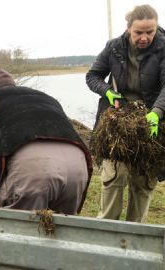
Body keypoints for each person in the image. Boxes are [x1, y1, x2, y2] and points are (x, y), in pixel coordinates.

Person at [0, 69, 92, 214]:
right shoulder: (47, 98)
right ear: (14, 85)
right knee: (64, 231)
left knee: (22, 232)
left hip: (34, 172)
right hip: (77, 169)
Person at [86, 4, 165, 222]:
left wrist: (157, 112)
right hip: (116, 122)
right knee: (114, 177)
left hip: (150, 122)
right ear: (129, 28)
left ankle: (135, 235)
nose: (144, 37)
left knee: (142, 182)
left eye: (150, 32)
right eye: (139, 32)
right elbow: (92, 77)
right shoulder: (114, 47)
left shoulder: (163, 48)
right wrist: (108, 92)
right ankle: (106, 233)